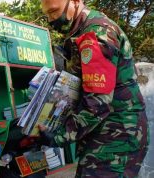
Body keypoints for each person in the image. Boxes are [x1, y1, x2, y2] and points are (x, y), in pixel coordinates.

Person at [38, 0, 149, 177]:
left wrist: (59, 136)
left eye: (54, 11)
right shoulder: (82, 32)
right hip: (105, 135)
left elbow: (97, 102)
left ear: (75, 2)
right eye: (48, 14)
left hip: (116, 138)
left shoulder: (96, 33)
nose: (51, 19)